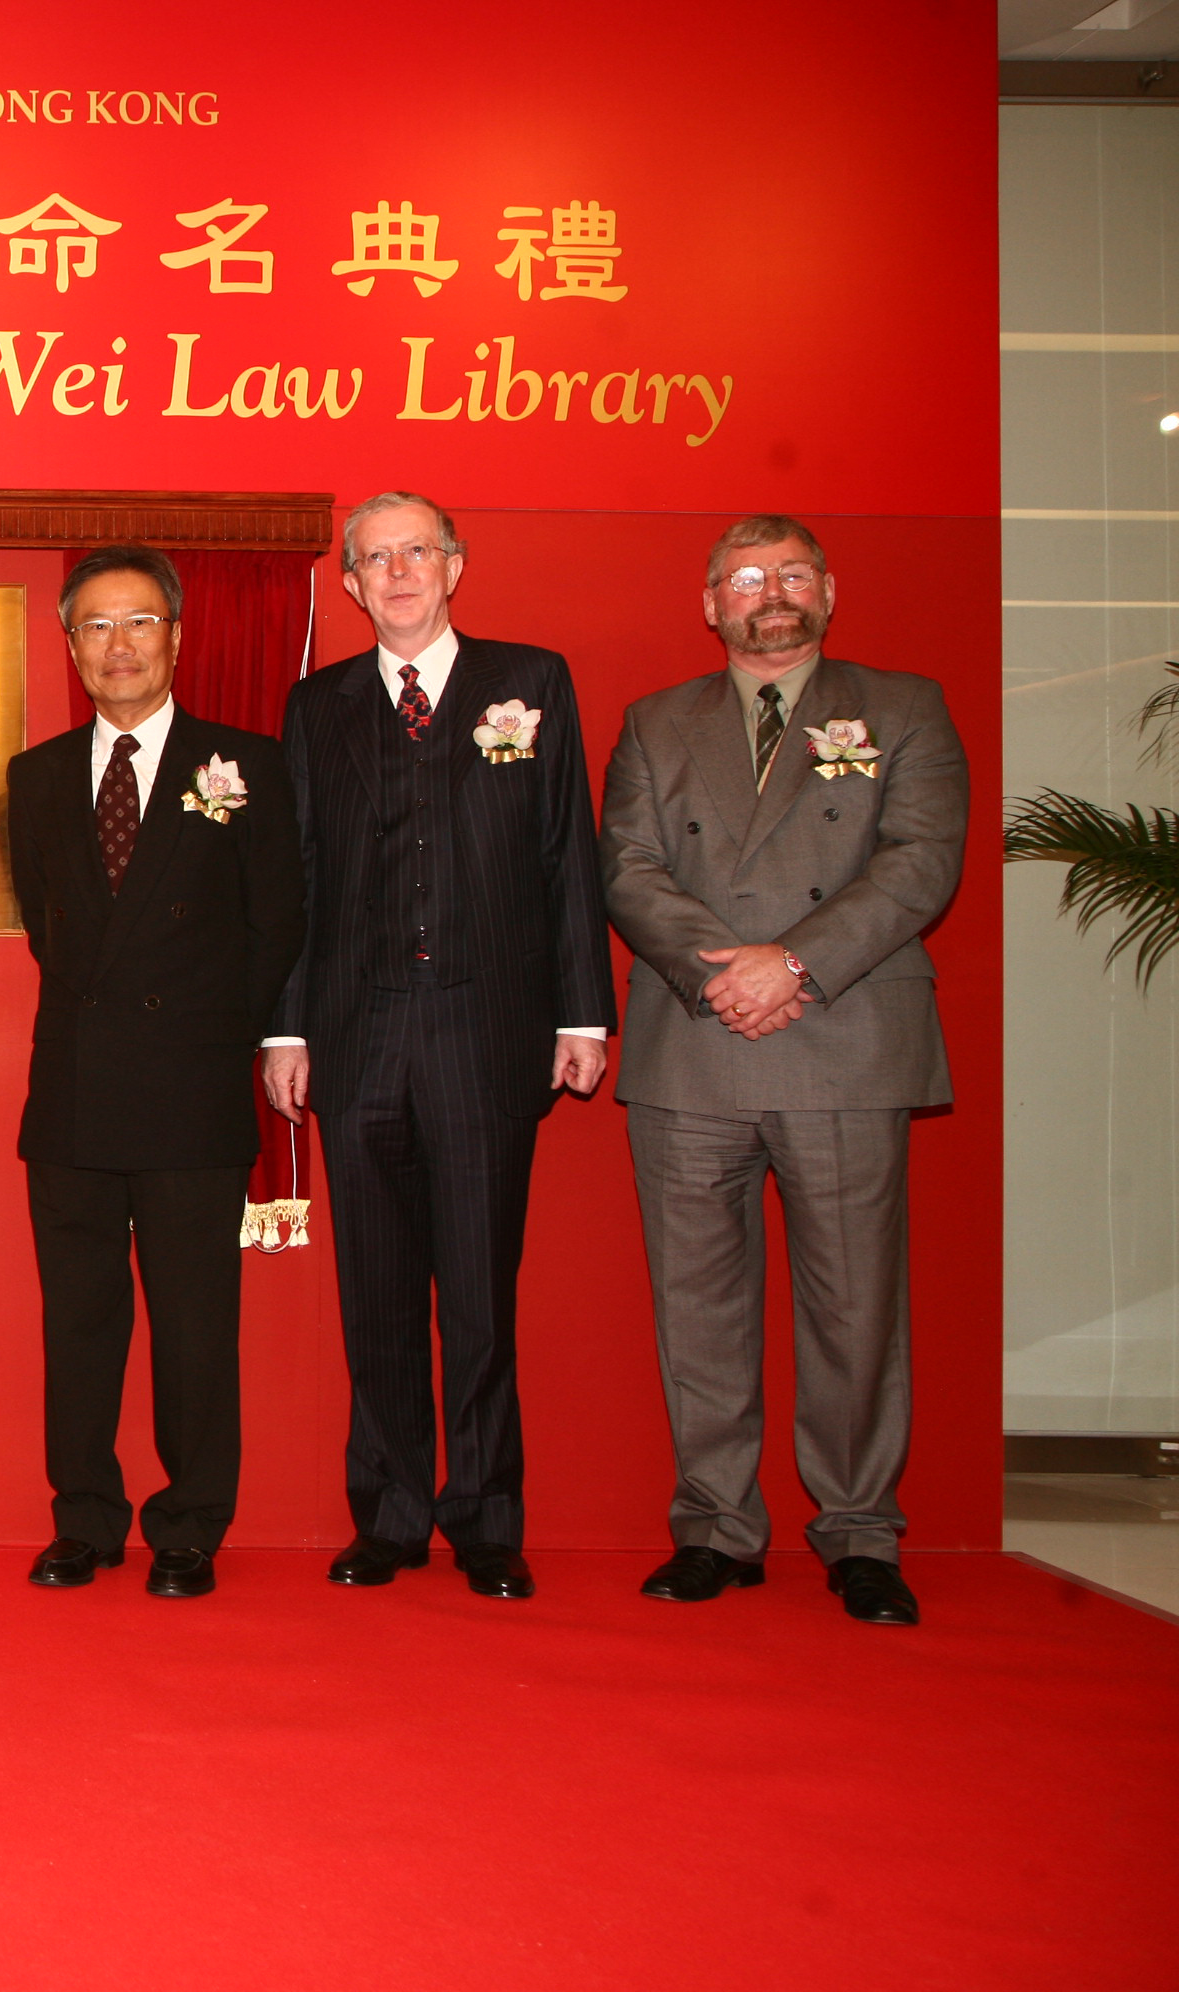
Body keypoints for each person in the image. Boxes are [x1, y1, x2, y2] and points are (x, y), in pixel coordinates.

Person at [599, 517, 963, 1627]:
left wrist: (792, 963)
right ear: (711, 603)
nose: (772, 594)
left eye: (792, 574)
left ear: (829, 591)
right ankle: (716, 1525)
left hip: (842, 1036)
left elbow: (920, 863)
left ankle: (859, 1533)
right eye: (747, 579)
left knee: (854, 1307)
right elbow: (629, 866)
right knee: (697, 1306)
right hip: (695, 1043)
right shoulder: (658, 723)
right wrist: (729, 975)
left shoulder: (903, 707)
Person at [261, 492, 614, 1600]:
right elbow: (295, 879)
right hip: (358, 1036)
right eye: (377, 558)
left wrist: (581, 1014)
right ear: (353, 586)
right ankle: (393, 1513)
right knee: (374, 1290)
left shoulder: (532, 681)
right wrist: (286, 1024)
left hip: (485, 1032)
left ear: (454, 565)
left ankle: (487, 1519)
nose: (400, 571)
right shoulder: (317, 707)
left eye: (419, 550)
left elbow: (569, 853)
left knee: (476, 1289)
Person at [8, 547, 305, 1598]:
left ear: (176, 637)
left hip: (190, 1090)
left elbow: (275, 928)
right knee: (79, 1325)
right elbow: (52, 932)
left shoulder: (248, 765)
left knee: (193, 1327)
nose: (118, 646)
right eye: (95, 626)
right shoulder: (36, 776)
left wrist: (219, 1036)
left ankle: (189, 1526)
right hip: (75, 1096)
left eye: (138, 623)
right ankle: (84, 1517)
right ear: (71, 643)